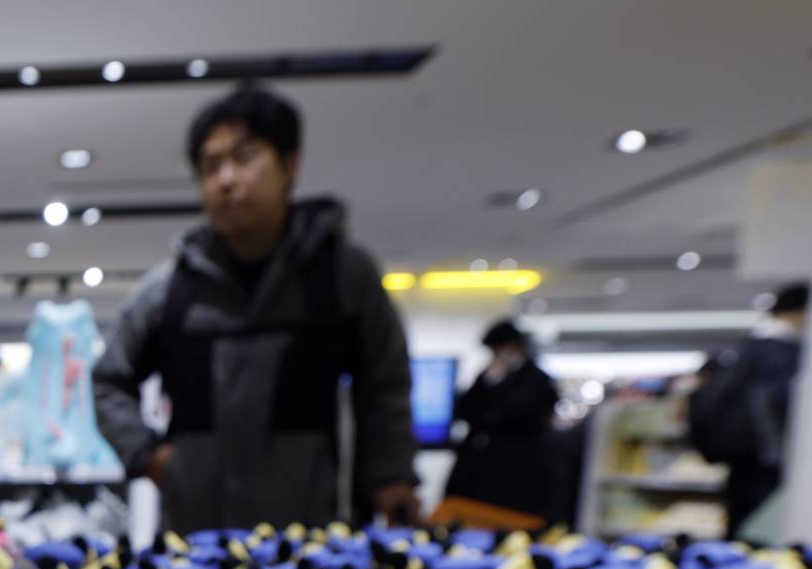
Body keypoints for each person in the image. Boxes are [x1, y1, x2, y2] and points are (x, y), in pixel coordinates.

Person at [94, 84, 419, 534]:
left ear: (289, 165)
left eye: (244, 158)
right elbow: (108, 380)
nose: (226, 180)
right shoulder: (168, 290)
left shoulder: (342, 276)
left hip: (309, 536)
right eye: (210, 167)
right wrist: (148, 456)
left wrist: (390, 475)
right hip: (197, 539)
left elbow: (384, 382)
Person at [689, 283, 810, 535]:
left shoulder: (748, 348)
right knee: (759, 531)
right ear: (800, 311)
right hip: (765, 461)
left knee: (742, 525)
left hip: (743, 458)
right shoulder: (781, 353)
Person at [443, 320, 560, 520]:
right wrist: (489, 381)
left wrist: (497, 387)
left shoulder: (538, 379)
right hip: (477, 471)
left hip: (519, 471)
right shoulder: (487, 376)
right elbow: (465, 411)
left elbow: (519, 411)